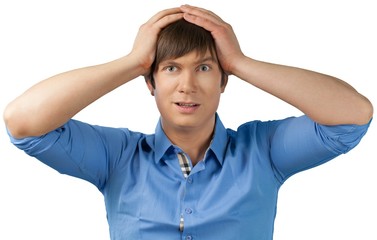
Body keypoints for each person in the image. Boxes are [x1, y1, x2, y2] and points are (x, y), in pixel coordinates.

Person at [3, 4, 373, 240]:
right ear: (151, 82)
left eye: (204, 68)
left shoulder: (263, 151)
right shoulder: (117, 157)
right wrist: (133, 62)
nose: (187, 86)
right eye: (171, 68)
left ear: (223, 81)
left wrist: (240, 62)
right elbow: (23, 122)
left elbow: (352, 115)